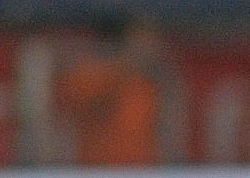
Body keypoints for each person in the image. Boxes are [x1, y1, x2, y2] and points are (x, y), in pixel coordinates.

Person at [53, 16, 179, 167]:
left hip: (143, 175)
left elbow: (162, 133)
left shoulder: (147, 85)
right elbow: (75, 110)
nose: (151, 47)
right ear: (125, 41)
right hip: (96, 174)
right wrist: (124, 67)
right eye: (143, 40)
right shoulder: (89, 76)